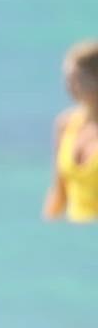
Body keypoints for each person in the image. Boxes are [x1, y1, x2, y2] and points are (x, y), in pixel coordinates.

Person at [44, 39, 98, 224]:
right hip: (75, 240)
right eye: (67, 78)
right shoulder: (65, 124)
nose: (68, 86)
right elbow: (59, 193)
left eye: (76, 78)